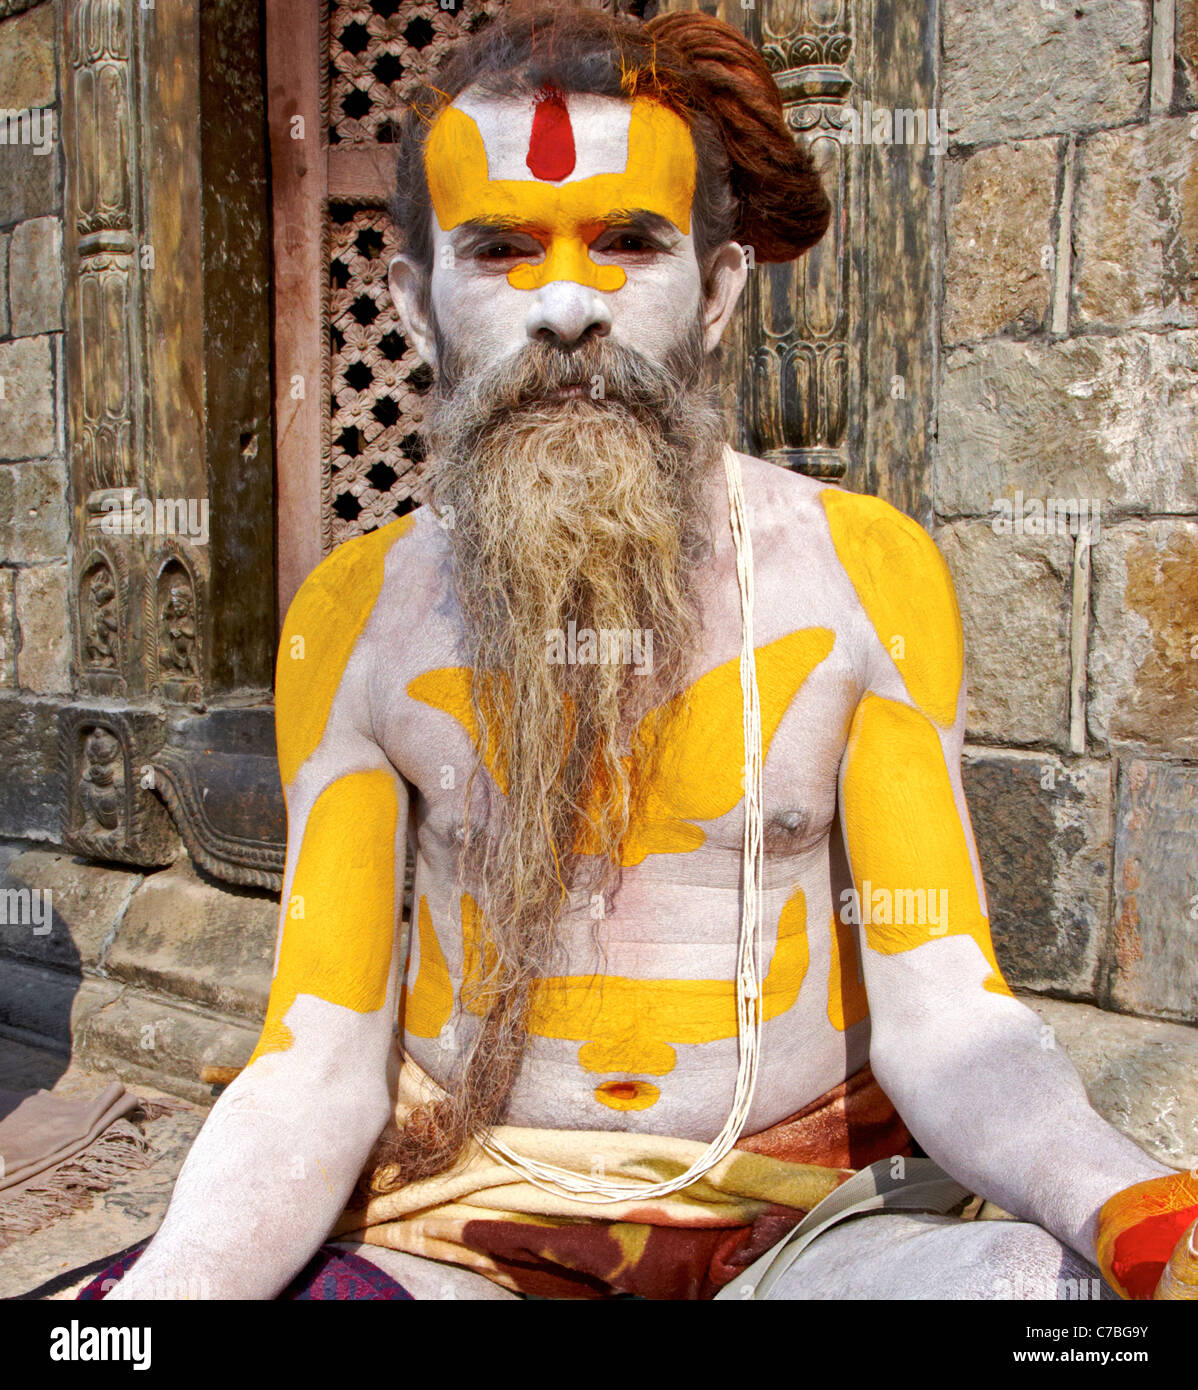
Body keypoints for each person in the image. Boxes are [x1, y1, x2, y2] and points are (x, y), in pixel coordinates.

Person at [98, 3, 1197, 1301]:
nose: (567, 305)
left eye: (627, 241)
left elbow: (948, 1011)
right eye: (502, 248)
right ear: (414, 300)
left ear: (720, 287)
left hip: (810, 1221)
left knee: (1037, 1296)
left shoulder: (862, 573)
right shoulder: (356, 612)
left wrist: (1123, 1201)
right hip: (474, 1218)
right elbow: (315, 1056)